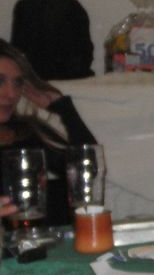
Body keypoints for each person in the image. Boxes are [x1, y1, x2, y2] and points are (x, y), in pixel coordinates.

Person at [0, 39, 97, 225]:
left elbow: (87, 171)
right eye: (0, 81)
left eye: (18, 83)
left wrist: (64, 108)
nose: (11, 94)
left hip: (47, 239)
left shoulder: (26, 131)